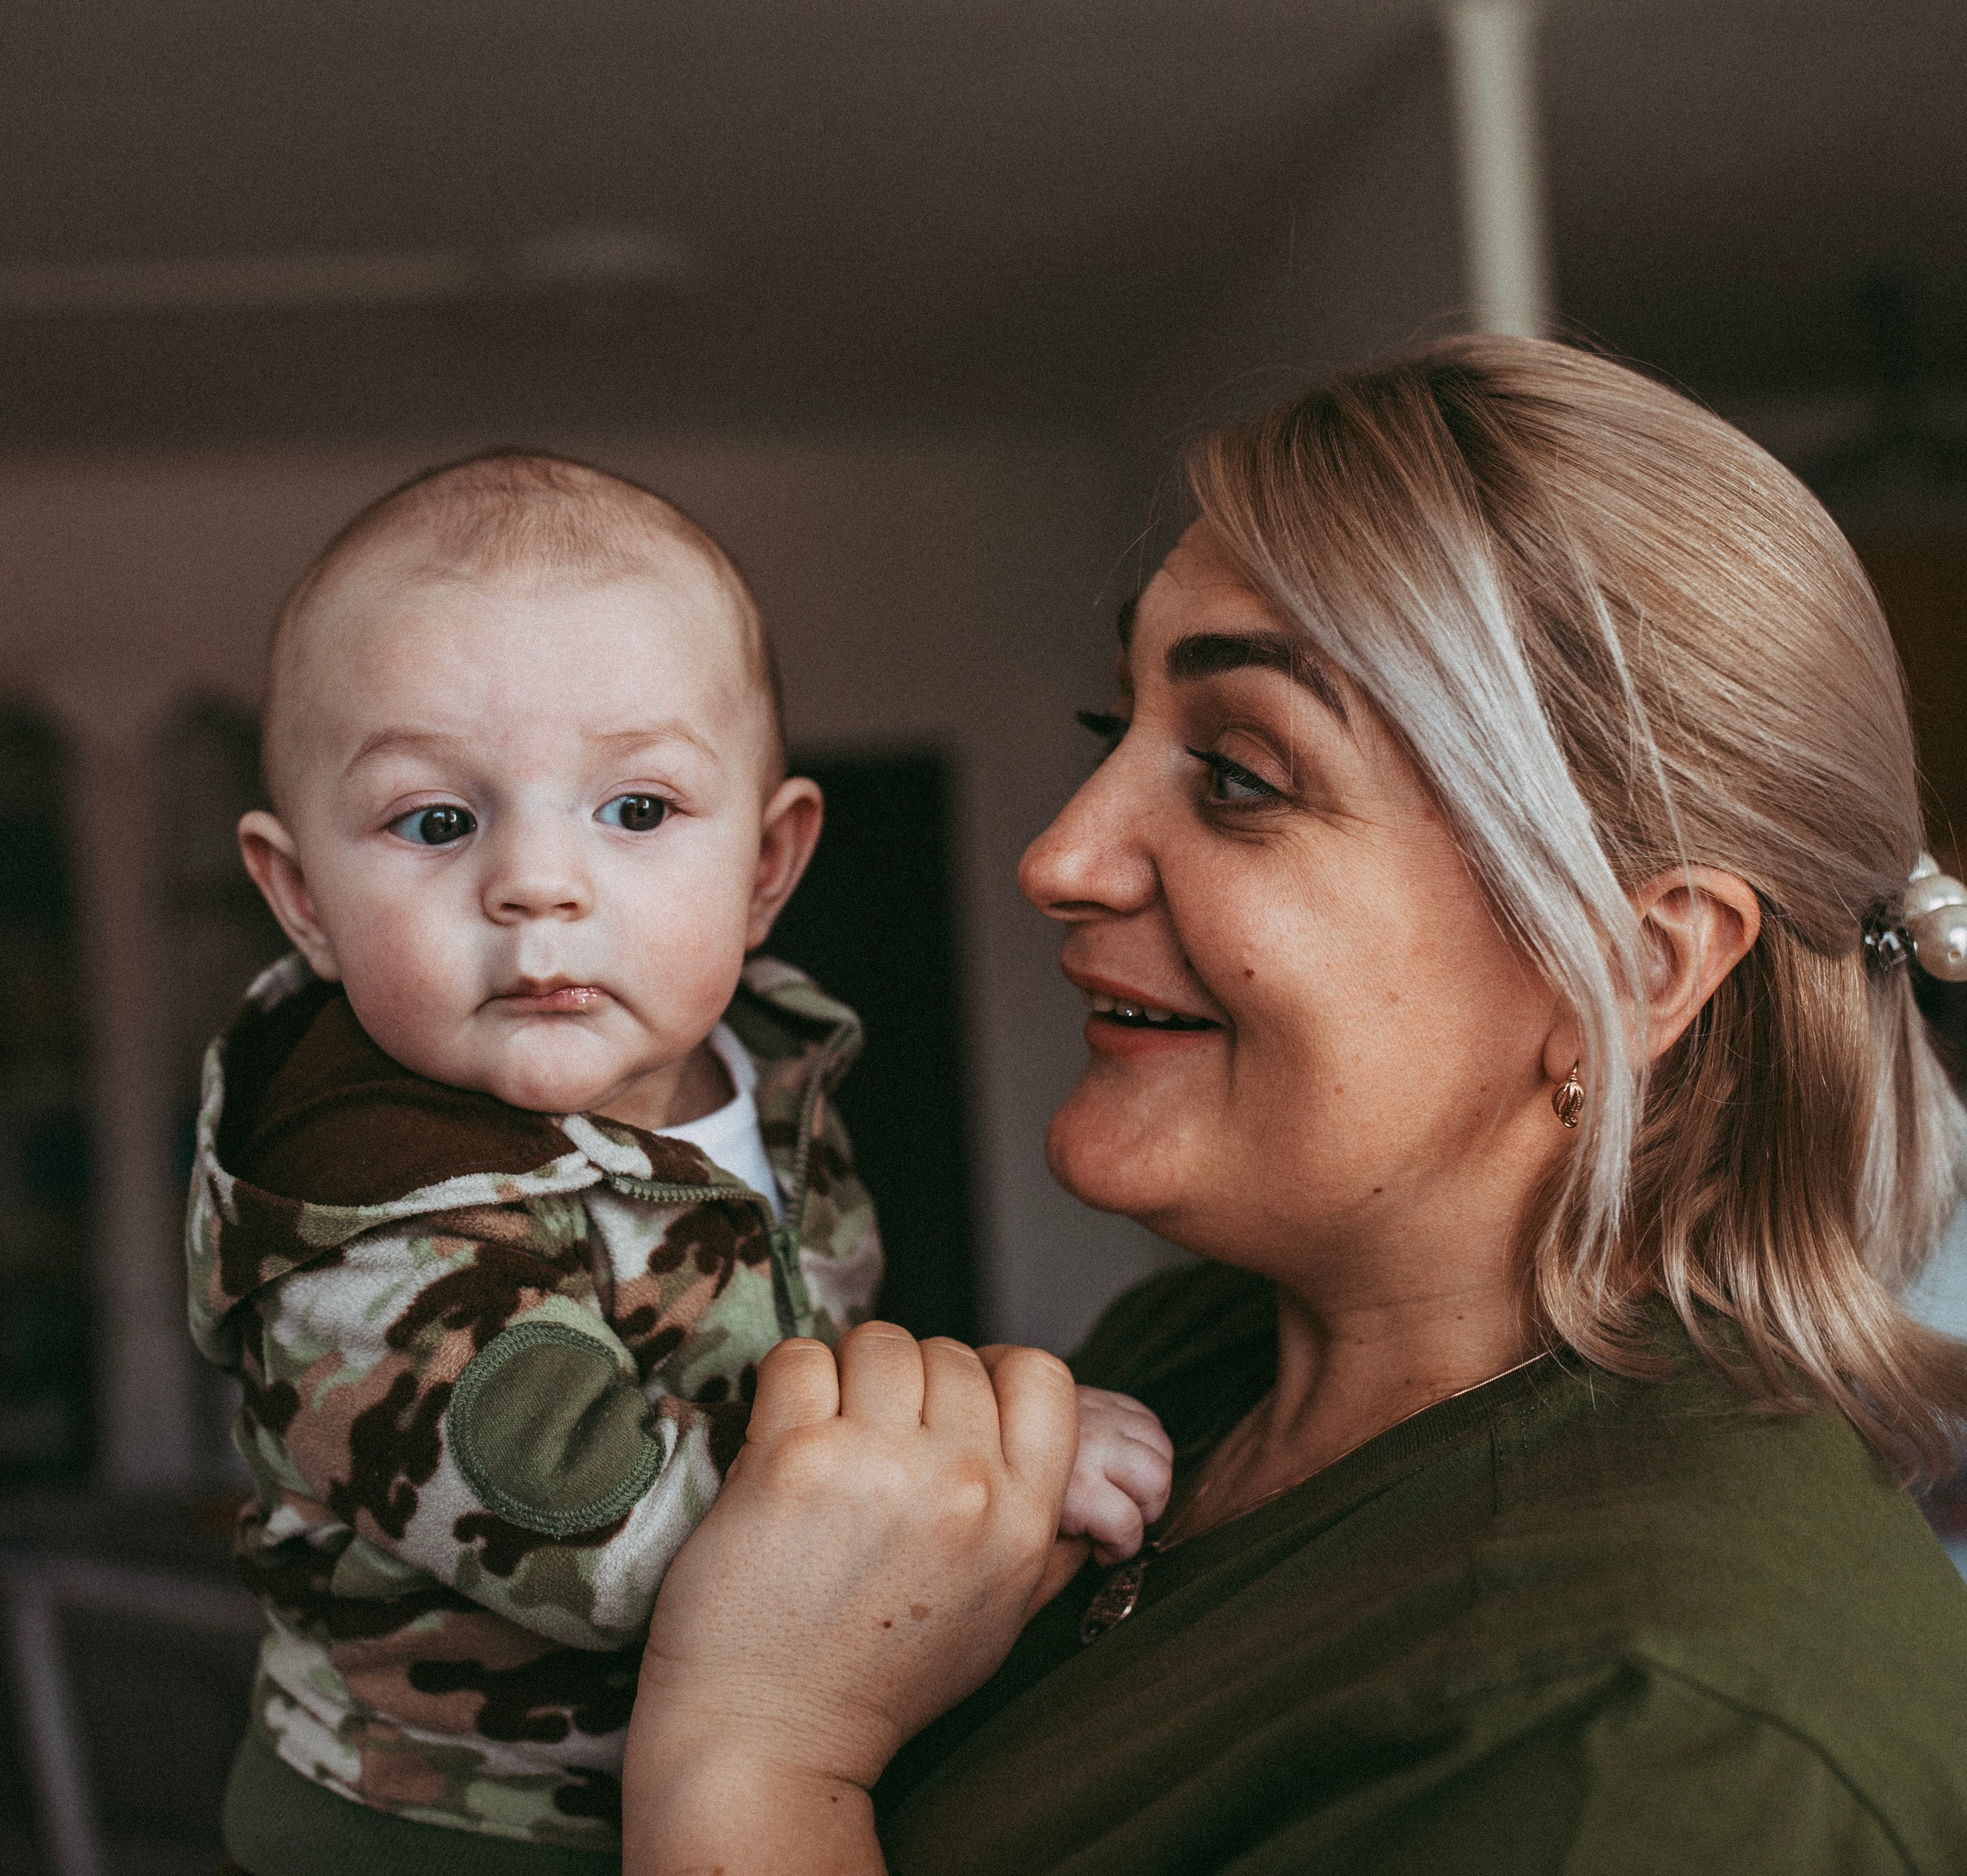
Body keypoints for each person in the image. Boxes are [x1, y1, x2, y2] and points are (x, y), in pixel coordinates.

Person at [617, 337, 1967, 1875]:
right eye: (1104, 732)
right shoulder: (1188, 1374)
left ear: (1625, 962)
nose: (1059, 853)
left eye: (1242, 773)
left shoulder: (1645, 1722)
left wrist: (752, 1740)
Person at [183, 452, 1174, 1875]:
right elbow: (610, 1538)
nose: (539, 881)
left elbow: (785, 1350)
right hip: (453, 1824)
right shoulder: (379, 1222)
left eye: (635, 810)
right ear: (303, 903)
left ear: (768, 869)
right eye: (436, 821)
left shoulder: (759, 1074)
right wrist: (997, 1471)